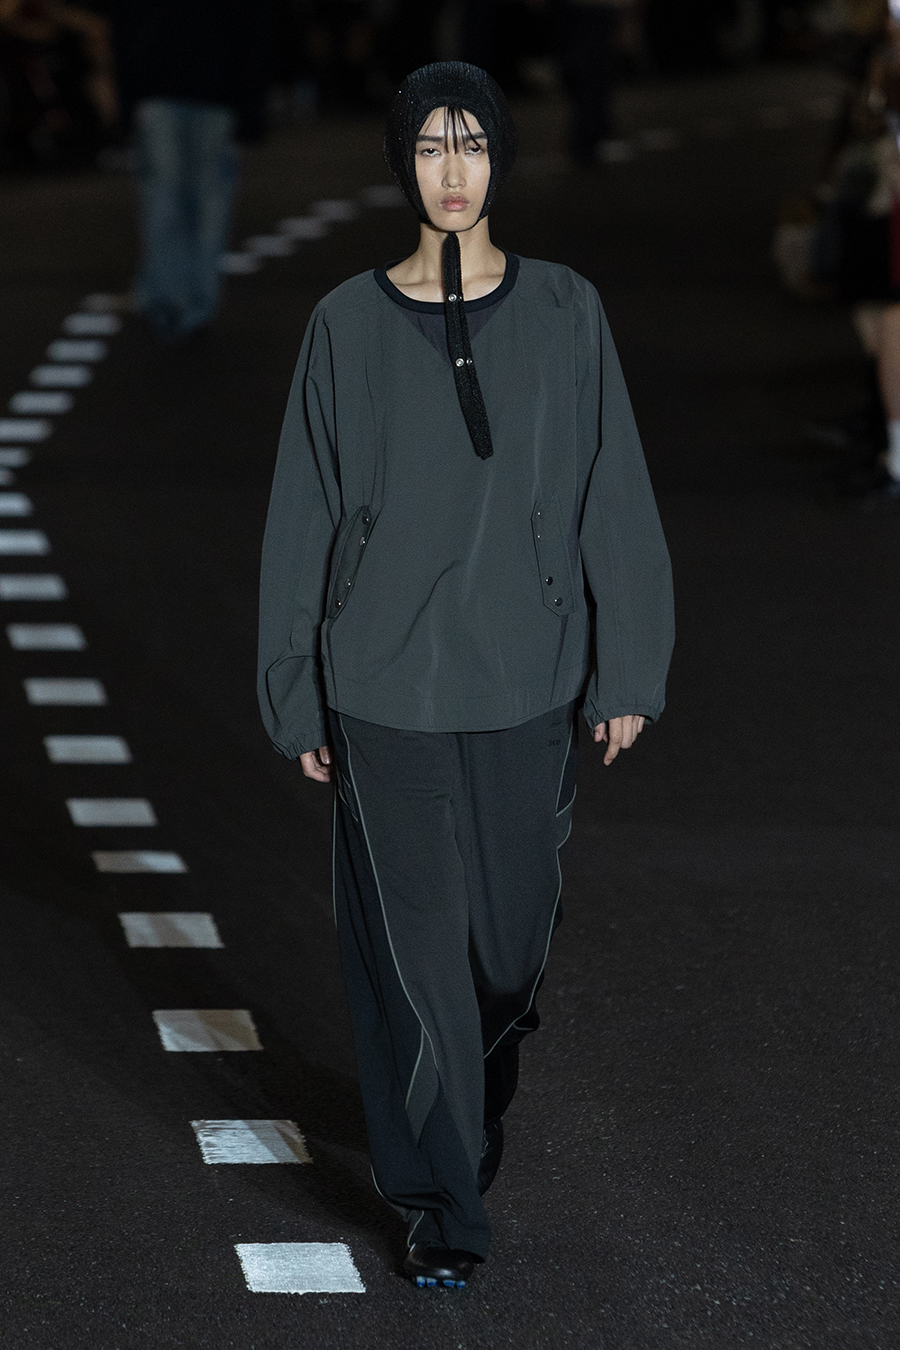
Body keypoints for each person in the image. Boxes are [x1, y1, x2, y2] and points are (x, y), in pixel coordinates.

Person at [258, 61, 674, 1289]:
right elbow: (303, 516)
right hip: (383, 685)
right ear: (404, 162)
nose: (453, 170)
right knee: (419, 959)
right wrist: (293, 684)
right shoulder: (343, 324)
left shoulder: (566, 310)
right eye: (432, 146)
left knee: (506, 953)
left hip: (528, 676)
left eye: (474, 144)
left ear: (501, 159)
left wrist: (627, 663)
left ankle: (470, 1097)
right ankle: (442, 1203)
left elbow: (612, 490)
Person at [109, 0, 273, 339]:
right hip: (215, 88)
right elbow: (255, 29)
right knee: (207, 203)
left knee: (164, 198)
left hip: (160, 84)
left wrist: (126, 100)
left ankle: (168, 297)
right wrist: (252, 107)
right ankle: (195, 300)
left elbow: (125, 23)